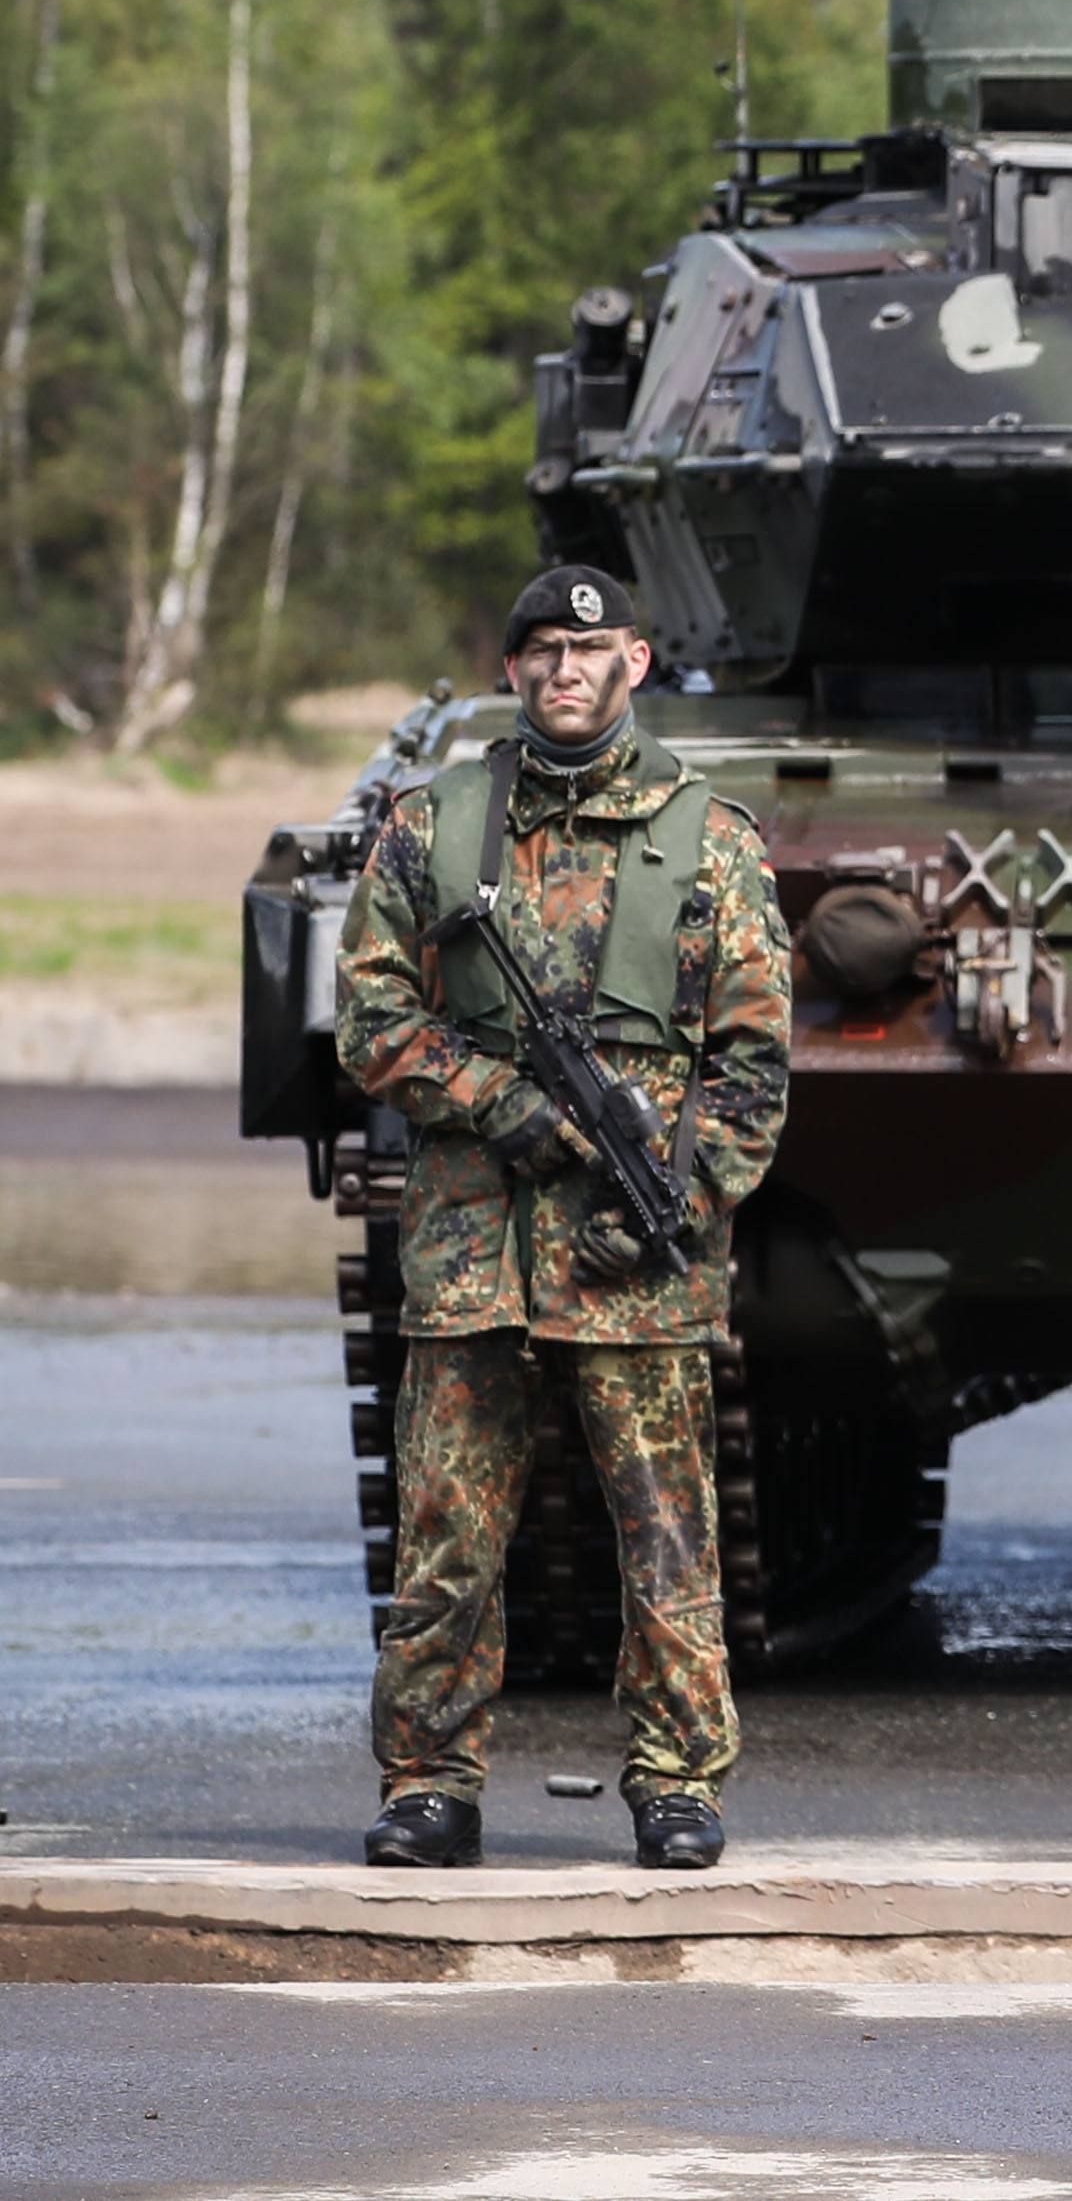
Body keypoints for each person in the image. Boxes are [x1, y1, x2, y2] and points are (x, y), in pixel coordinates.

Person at [333, 564, 793, 1873]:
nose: (563, 669)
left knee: (665, 1529)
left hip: (638, 1256)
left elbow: (753, 1064)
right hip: (475, 1239)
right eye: (539, 649)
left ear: (635, 661)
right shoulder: (437, 825)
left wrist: (678, 1213)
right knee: (449, 1527)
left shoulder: (711, 837)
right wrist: (499, 1102)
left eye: (588, 649)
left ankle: (677, 1779)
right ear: (514, 668)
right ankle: (429, 1780)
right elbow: (370, 1016)